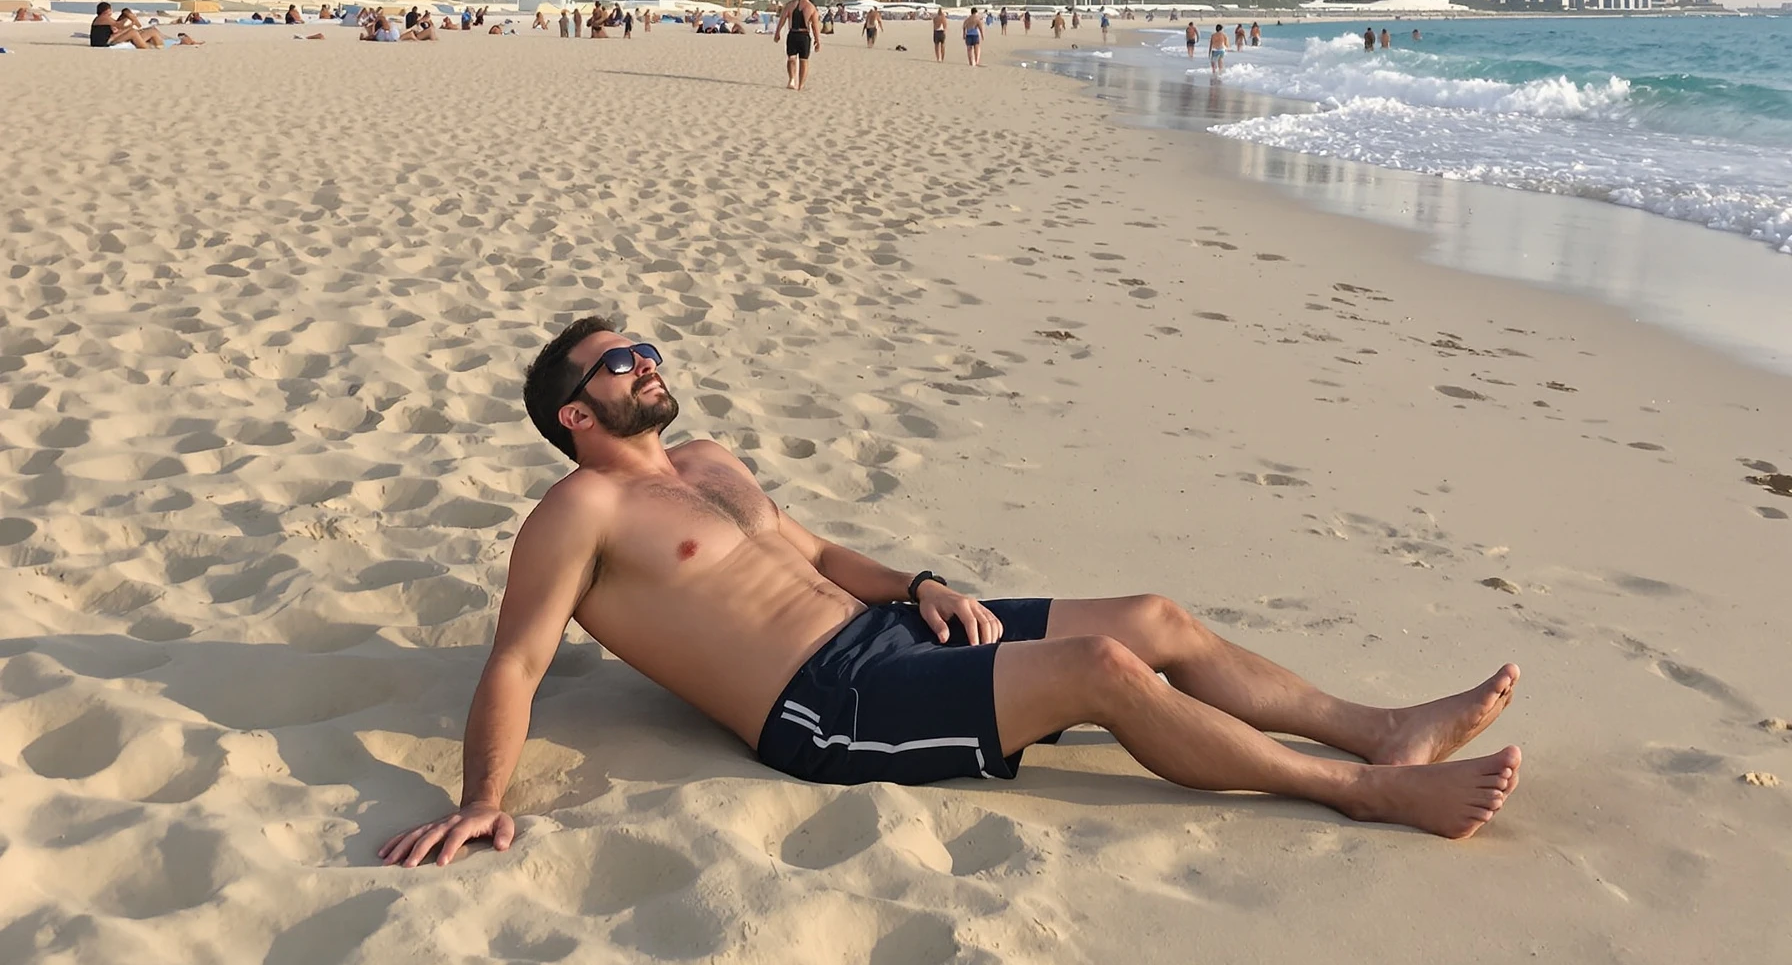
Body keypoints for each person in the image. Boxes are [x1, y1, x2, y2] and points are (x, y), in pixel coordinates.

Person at [378, 320, 1522, 871]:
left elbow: (819, 553)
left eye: (642, 343)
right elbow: (517, 662)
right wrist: (482, 794)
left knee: (1153, 618)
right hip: (826, 706)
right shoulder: (577, 514)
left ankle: (1385, 728)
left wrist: (923, 584)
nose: (645, 360)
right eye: (617, 362)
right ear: (575, 413)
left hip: (882, 629)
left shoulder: (711, 458)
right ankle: (1362, 790)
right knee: (1103, 673)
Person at [774, 0, 822, 91]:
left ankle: (791, 80)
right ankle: (800, 85)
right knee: (804, 60)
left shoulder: (790, 5)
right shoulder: (811, 7)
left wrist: (777, 33)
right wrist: (817, 41)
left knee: (791, 58)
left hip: (792, 34)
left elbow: (782, 19)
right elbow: (815, 26)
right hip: (804, 36)